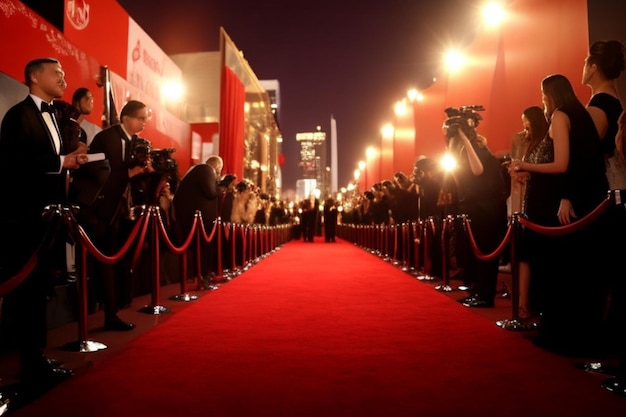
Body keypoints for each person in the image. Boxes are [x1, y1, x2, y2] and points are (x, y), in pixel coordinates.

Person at [0, 57, 88, 394]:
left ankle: (37, 358)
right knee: (25, 292)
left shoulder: (56, 115)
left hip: (50, 216)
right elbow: (14, 161)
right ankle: (28, 364)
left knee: (40, 292)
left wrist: (71, 160)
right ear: (34, 77)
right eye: (57, 73)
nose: (64, 78)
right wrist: (60, 161)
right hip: (24, 218)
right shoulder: (18, 115)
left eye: (65, 74)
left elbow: (53, 163)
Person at [510, 74, 608, 356]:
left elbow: (563, 163)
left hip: (569, 203)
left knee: (563, 271)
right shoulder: (578, 114)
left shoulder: (561, 115)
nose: (541, 99)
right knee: (575, 271)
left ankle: (562, 335)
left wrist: (524, 165)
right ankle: (572, 332)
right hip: (583, 197)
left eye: (543, 94)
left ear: (551, 93)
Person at [82, 100, 154, 331]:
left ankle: (113, 310)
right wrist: (129, 172)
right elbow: (97, 175)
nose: (144, 122)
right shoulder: (107, 138)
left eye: (145, 118)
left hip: (123, 212)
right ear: (127, 118)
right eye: (141, 118)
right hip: (101, 212)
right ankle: (101, 314)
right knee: (100, 264)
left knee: (117, 261)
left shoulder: (135, 142)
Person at [579, 40, 626, 380]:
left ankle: (604, 348)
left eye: (585, 62)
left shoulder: (600, 103)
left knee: (605, 274)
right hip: (615, 192)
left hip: (607, 195)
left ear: (594, 66)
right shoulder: (614, 100)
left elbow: (586, 155)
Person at [443, 106, 508, 308]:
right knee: (478, 254)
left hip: (487, 210)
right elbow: (461, 178)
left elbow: (477, 170)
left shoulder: (477, 148)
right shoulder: (468, 149)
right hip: (478, 208)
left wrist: (463, 139)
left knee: (485, 254)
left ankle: (485, 296)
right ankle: (478, 291)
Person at [507, 106, 549, 320]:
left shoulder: (545, 142)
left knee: (534, 255)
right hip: (526, 202)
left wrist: (525, 172)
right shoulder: (524, 141)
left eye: (527, 122)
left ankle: (531, 302)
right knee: (524, 254)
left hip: (541, 203)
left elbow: (546, 171)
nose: (524, 127)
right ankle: (523, 303)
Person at [172, 155, 224, 288]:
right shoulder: (205, 169)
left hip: (199, 220)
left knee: (204, 248)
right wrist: (222, 187)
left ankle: (204, 275)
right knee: (201, 249)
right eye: (219, 169)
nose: (219, 172)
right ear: (215, 166)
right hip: (196, 220)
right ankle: (201, 277)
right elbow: (210, 192)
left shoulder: (199, 171)